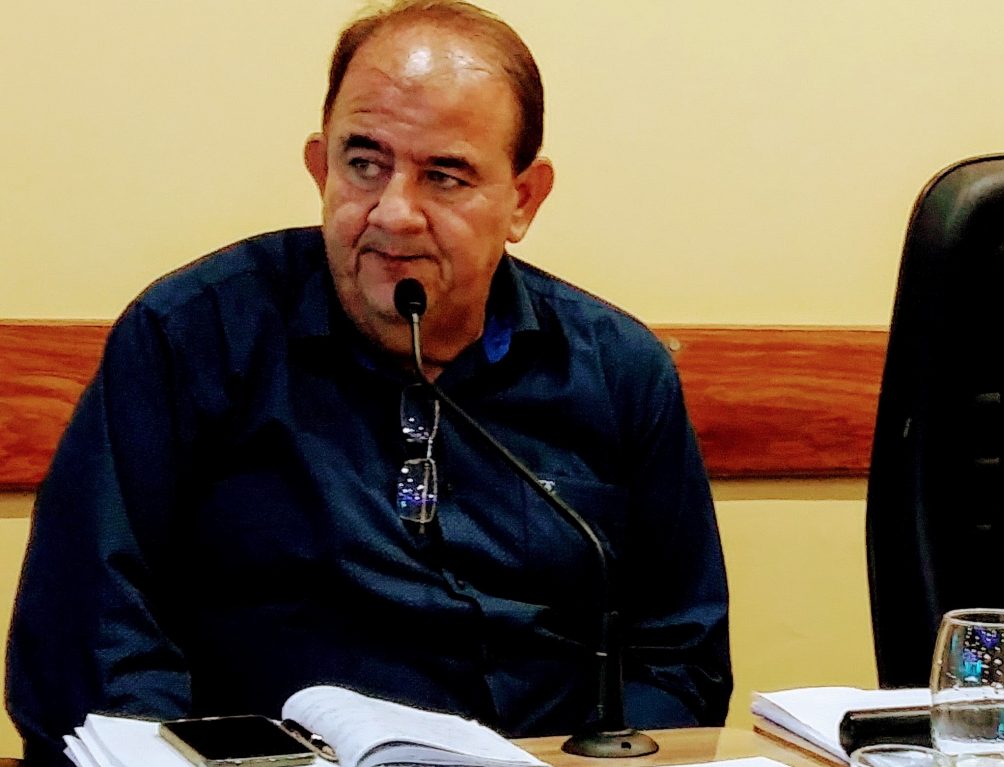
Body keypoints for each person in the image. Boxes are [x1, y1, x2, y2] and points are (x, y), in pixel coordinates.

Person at [6, 1, 732, 763]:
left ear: (523, 199)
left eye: (444, 176)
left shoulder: (617, 371)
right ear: (320, 166)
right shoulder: (192, 336)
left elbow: (681, 655)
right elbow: (91, 638)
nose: (393, 212)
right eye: (364, 164)